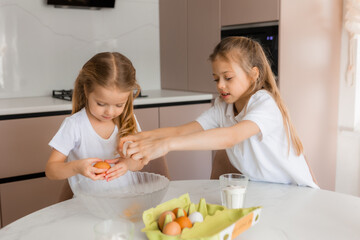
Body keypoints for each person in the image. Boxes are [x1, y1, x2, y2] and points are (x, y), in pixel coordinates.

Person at [119, 37, 319, 188]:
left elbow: (230, 137)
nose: (221, 85)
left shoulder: (264, 102)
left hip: (295, 192)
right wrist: (138, 137)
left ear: (253, 74)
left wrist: (165, 145)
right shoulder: (223, 107)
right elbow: (183, 131)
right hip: (267, 191)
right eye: (216, 79)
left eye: (228, 77)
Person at [45, 52, 144, 192]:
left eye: (119, 105)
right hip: (88, 206)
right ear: (86, 90)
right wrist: (76, 167)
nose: (110, 112)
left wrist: (127, 164)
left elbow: (139, 163)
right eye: (101, 104)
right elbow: (51, 170)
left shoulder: (128, 119)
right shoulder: (75, 125)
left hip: (127, 203)